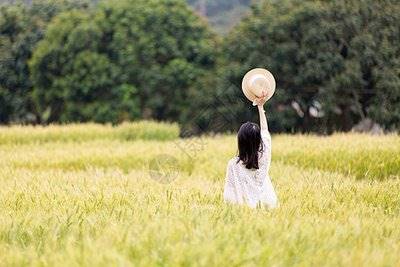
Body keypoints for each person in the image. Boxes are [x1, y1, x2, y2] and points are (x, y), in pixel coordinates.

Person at [223, 90, 278, 209]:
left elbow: (229, 194)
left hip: (246, 208)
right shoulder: (264, 155)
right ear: (259, 140)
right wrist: (260, 106)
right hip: (267, 204)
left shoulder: (233, 164)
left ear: (240, 142)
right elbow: (264, 130)